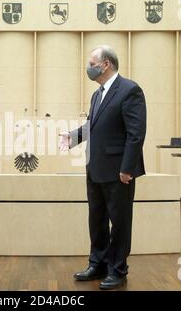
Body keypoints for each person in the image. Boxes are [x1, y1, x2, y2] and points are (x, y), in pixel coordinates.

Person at [59, 45, 146, 290]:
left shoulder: (130, 90)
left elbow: (136, 134)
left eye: (92, 63)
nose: (89, 67)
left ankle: (117, 269)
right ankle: (97, 263)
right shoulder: (98, 94)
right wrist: (72, 136)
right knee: (96, 220)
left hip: (120, 171)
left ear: (105, 64)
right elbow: (92, 125)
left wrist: (128, 167)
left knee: (119, 221)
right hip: (95, 168)